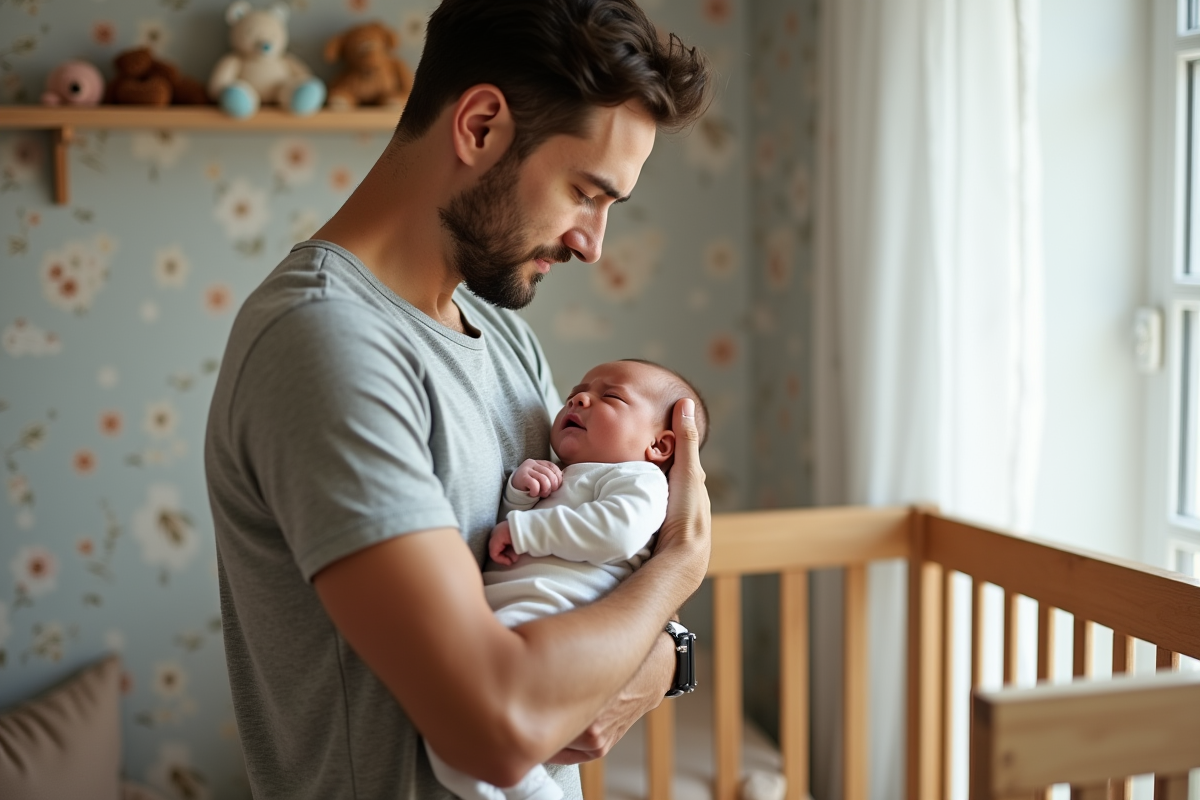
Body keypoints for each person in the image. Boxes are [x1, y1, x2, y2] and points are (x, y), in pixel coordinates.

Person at [203, 1, 714, 798]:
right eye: (586, 191)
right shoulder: (326, 345)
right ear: (480, 126)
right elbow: (503, 729)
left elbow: (599, 599)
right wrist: (681, 569)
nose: (592, 242)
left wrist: (669, 657)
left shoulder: (503, 340)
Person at [426, 359, 709, 800]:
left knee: (476, 711)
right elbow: (503, 542)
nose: (579, 398)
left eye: (610, 396)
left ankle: (526, 785)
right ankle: (516, 783)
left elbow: (617, 531)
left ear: (660, 444)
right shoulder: (560, 473)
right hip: (504, 617)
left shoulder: (639, 478)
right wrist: (520, 493)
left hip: (556, 617)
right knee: (447, 726)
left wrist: (525, 528)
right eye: (577, 392)